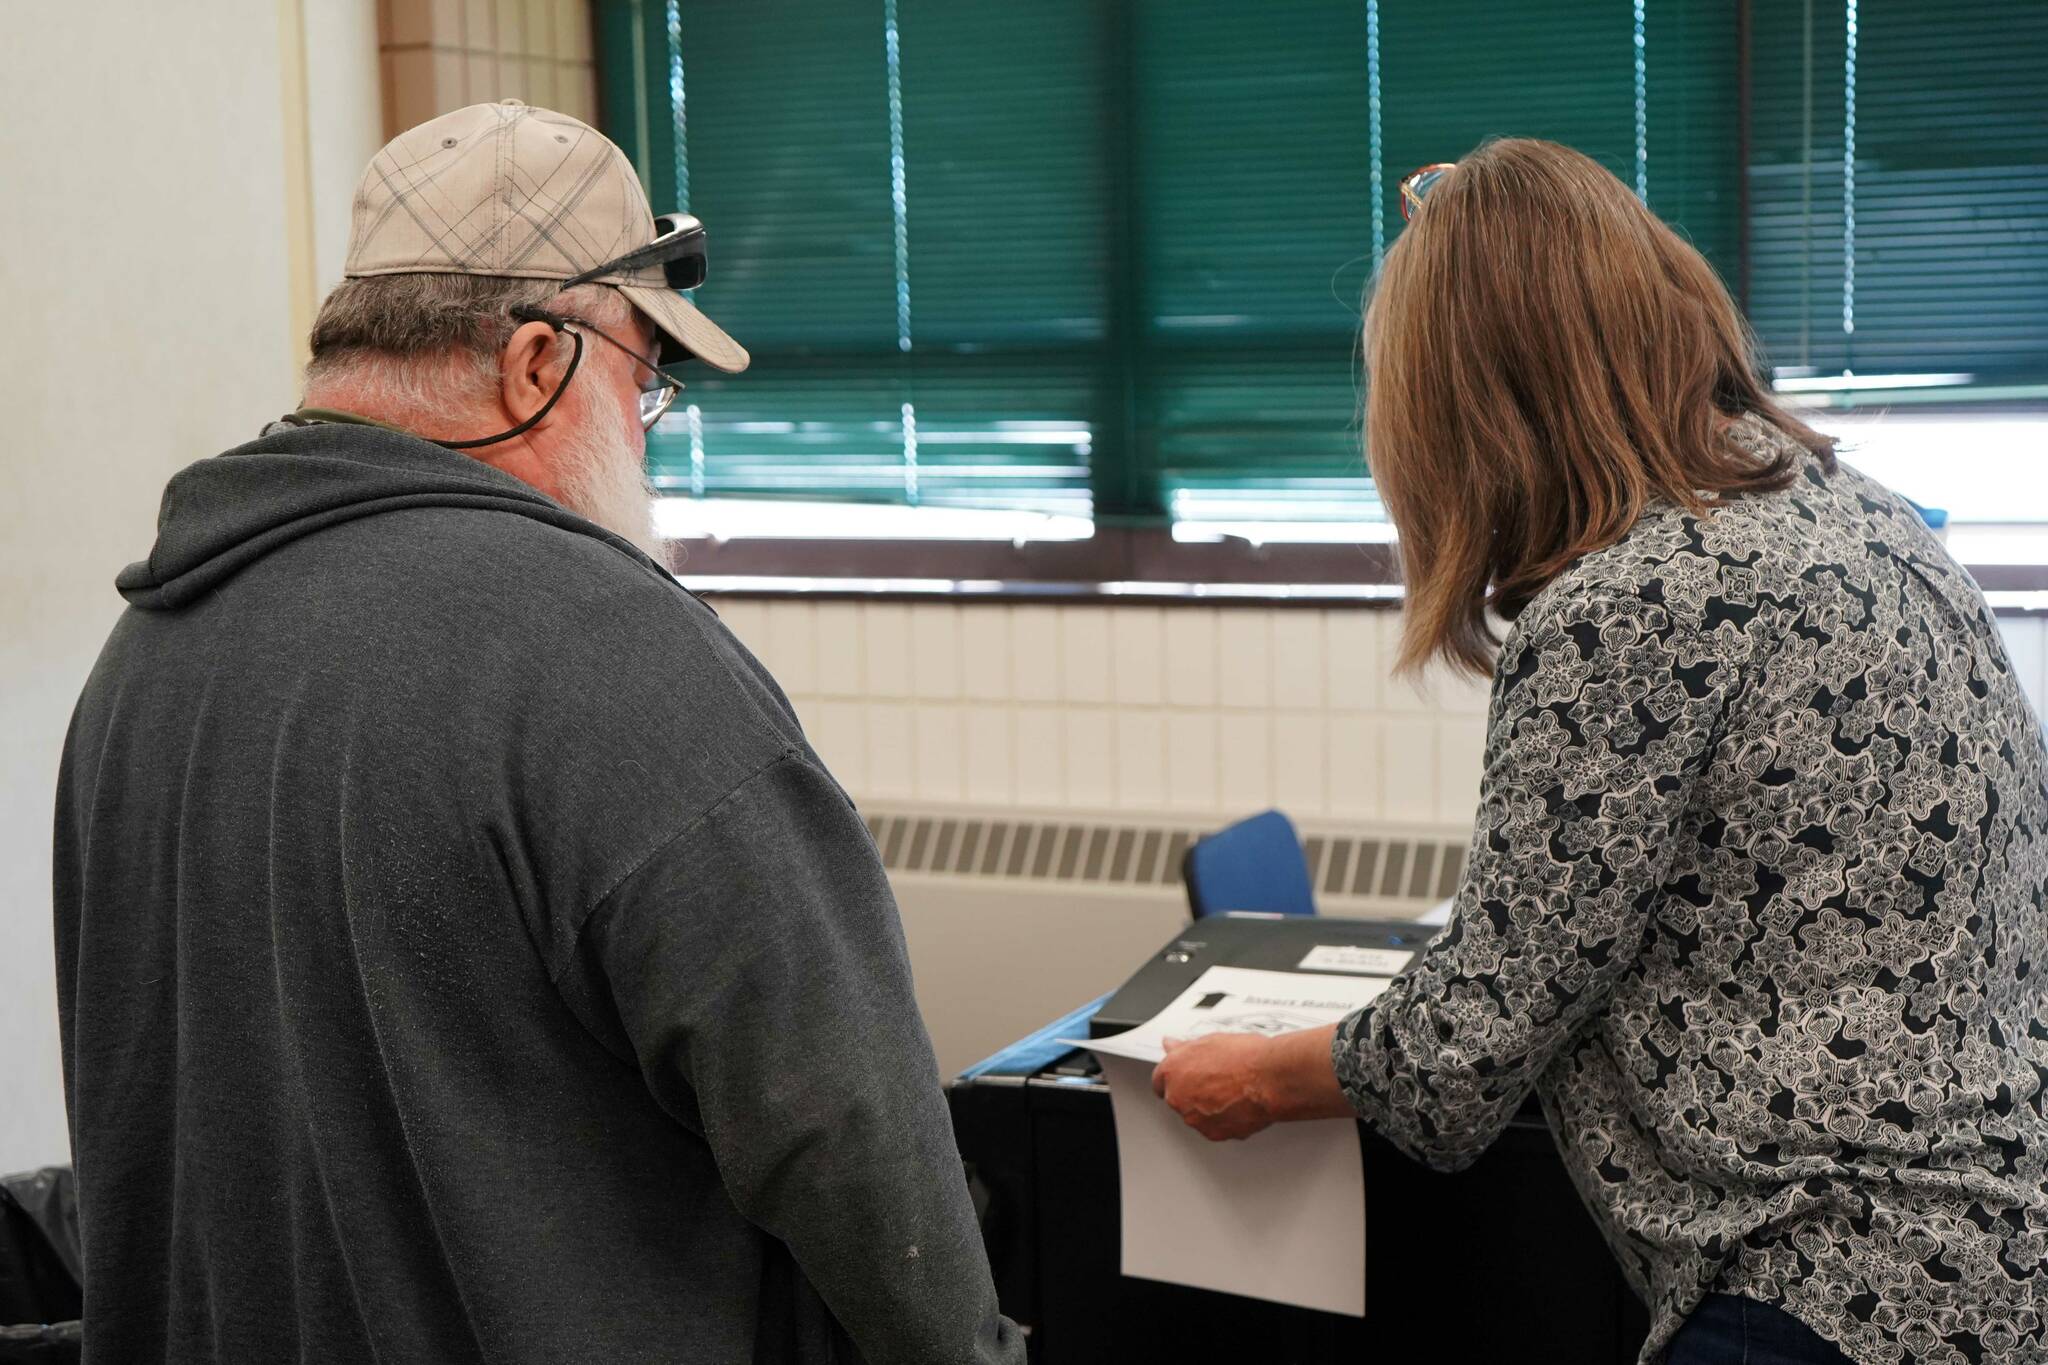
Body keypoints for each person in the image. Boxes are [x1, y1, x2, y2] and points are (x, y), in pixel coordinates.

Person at [52, 100, 1021, 1365]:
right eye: (644, 381)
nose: (644, 429)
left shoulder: (145, 656)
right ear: (535, 365)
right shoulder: (612, 656)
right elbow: (844, 1140)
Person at [1152, 139, 2048, 1365]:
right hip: (1992, 1241)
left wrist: (1252, 1080)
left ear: (1471, 403)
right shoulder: (1856, 512)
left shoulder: (1630, 604)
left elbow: (1464, 1049)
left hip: (1829, 1275)